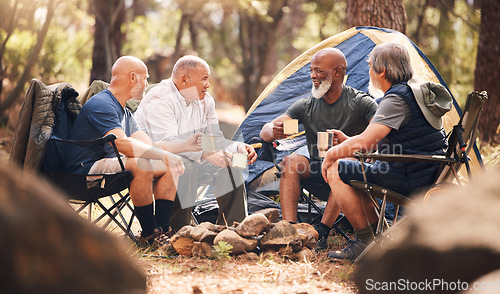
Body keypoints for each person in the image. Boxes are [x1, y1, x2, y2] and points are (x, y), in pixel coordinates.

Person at [321, 43, 451, 261]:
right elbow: (376, 137)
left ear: (382, 71)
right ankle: (376, 237)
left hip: (410, 176)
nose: (369, 73)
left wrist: (331, 154)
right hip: (422, 170)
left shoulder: (396, 98)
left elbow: (365, 142)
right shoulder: (413, 91)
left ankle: (367, 242)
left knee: (336, 169)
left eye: (371, 67)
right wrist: (346, 141)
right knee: (352, 167)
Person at [64, 56, 201, 248]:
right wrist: (162, 155)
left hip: (112, 167)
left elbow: (148, 145)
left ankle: (162, 231)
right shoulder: (102, 104)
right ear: (132, 77)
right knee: (142, 163)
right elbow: (122, 145)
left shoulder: (126, 113)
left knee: (171, 165)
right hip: (84, 171)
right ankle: (149, 235)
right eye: (145, 78)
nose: (146, 83)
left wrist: (183, 147)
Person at [259, 48, 378, 250]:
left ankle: (322, 230)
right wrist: (274, 131)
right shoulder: (306, 106)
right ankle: (291, 231)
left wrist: (348, 144)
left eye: (319, 71)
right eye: (312, 70)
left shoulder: (361, 103)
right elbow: (265, 131)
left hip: (350, 176)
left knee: (339, 166)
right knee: (290, 162)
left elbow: (380, 135)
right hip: (315, 169)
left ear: (337, 72)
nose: (313, 76)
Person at [134, 55, 257, 230]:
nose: (208, 84)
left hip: (192, 158)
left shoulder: (206, 101)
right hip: (156, 162)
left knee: (232, 163)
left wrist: (238, 147)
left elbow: (214, 139)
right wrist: (205, 154)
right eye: (204, 79)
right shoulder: (160, 99)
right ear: (184, 79)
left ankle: (232, 231)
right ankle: (179, 232)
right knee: (184, 164)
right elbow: (169, 143)